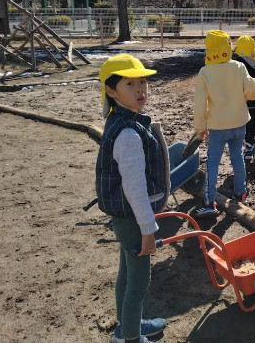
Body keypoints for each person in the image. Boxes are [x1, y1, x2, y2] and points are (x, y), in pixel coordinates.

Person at [96, 53, 169, 343]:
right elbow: (135, 187)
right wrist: (148, 231)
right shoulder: (128, 133)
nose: (140, 90)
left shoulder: (121, 121)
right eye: (130, 84)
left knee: (126, 274)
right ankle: (130, 338)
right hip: (133, 218)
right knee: (139, 283)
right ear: (111, 91)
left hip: (125, 218)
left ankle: (128, 326)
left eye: (142, 82)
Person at [194, 30, 255, 217]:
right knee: (237, 158)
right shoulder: (238, 67)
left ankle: (209, 202)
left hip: (217, 127)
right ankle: (241, 194)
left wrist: (201, 127)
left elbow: (200, 103)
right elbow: (250, 90)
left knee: (213, 162)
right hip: (239, 124)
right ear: (227, 47)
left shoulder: (205, 72)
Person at [233, 35, 255, 167]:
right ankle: (248, 153)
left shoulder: (237, 65)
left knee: (242, 131)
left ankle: (252, 146)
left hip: (245, 103)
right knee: (252, 128)